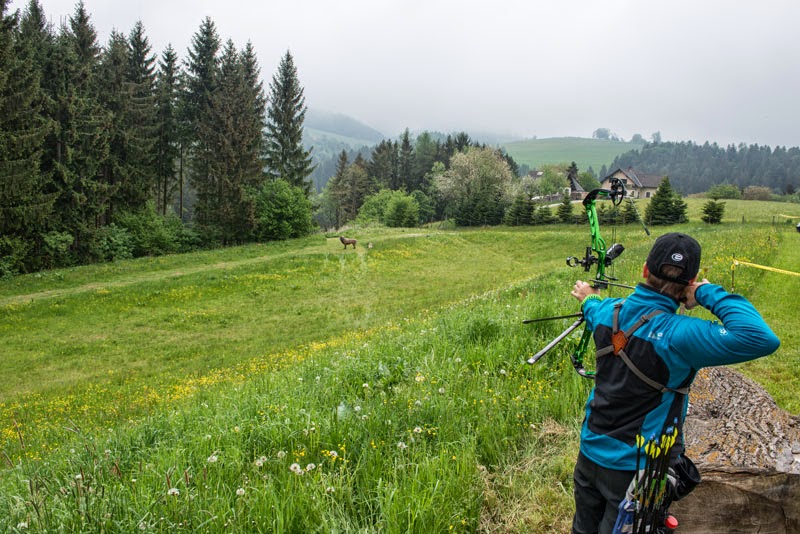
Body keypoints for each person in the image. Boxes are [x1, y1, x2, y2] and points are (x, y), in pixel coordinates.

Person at [569, 232, 780, 534]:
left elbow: (592, 306)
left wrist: (588, 293)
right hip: (636, 470)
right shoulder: (680, 334)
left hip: (589, 453)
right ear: (690, 282)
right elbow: (759, 337)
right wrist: (706, 293)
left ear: (644, 270)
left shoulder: (606, 312)